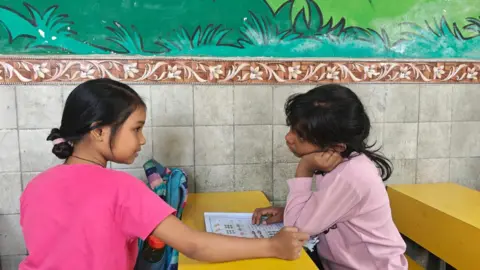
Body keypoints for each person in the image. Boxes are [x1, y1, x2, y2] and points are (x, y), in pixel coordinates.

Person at [20, 78, 309, 270]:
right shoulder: (121, 188)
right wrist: (273, 245)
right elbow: (195, 245)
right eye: (136, 128)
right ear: (98, 131)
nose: (142, 140)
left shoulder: (36, 187)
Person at [253, 84, 408, 269]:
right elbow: (330, 207)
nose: (289, 138)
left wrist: (304, 168)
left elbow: (294, 229)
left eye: (301, 136)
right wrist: (288, 209)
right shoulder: (345, 163)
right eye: (292, 128)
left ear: (336, 147)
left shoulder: (352, 176)